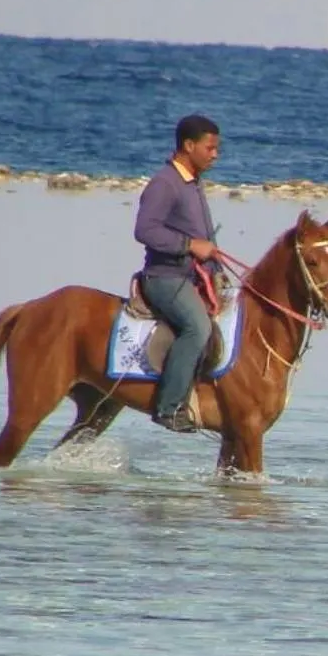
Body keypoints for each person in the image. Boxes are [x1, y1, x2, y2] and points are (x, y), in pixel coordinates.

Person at [133, 114, 223, 431]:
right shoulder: (165, 183)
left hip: (192, 278)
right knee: (198, 328)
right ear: (188, 145)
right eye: (210, 148)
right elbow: (144, 230)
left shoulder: (193, 182)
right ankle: (169, 408)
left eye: (217, 149)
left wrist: (216, 269)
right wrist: (189, 245)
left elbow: (203, 238)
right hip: (165, 278)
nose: (216, 154)